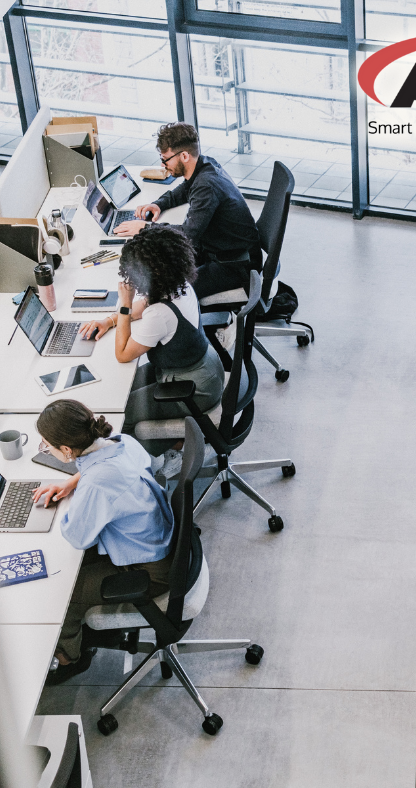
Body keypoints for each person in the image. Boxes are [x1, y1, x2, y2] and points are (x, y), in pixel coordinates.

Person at [31, 401, 174, 685]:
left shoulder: (97, 484)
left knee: (63, 592)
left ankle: (70, 658)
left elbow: (77, 536)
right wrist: (71, 484)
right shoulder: (123, 441)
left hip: (151, 570)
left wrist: (79, 498)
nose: (45, 449)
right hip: (157, 540)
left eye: (47, 446)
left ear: (67, 451)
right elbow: (99, 467)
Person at [79, 224, 224, 457]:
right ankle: (169, 443)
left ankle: (165, 455)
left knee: (120, 415)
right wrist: (109, 321)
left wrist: (124, 303)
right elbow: (144, 305)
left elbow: (123, 353)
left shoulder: (161, 314)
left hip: (193, 390)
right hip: (201, 369)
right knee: (117, 391)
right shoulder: (178, 283)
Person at [113, 122, 262, 300]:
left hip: (234, 263)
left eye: (165, 159)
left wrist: (145, 228)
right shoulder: (204, 165)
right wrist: (159, 204)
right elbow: (185, 189)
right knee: (160, 267)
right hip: (221, 248)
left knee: (169, 293)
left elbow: (188, 234)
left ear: (184, 156)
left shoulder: (206, 185)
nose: (163, 165)